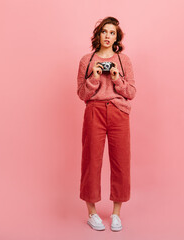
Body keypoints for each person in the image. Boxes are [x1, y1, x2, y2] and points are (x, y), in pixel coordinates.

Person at [76, 16, 136, 232]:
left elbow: (131, 93)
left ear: (117, 36)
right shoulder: (86, 60)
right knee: (91, 160)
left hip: (119, 112)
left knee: (121, 162)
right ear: (98, 35)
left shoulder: (123, 60)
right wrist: (94, 77)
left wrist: (117, 78)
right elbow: (82, 93)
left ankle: (116, 213)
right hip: (95, 111)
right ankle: (92, 212)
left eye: (112, 32)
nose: (108, 36)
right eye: (104, 32)